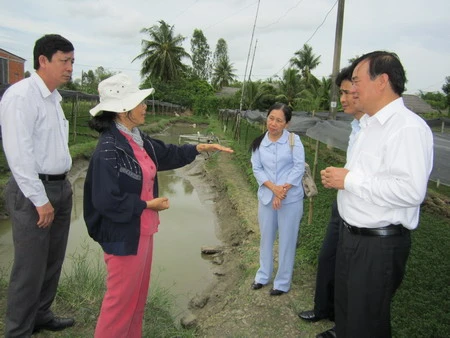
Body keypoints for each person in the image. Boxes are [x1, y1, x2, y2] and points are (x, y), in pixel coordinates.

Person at [83, 73, 233, 338]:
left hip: (143, 231)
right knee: (119, 304)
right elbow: (105, 200)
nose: (145, 107)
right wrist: (145, 204)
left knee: (137, 298)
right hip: (123, 236)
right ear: (123, 110)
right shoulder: (109, 149)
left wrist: (198, 148)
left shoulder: (135, 139)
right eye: (140, 102)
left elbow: (166, 153)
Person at [321, 51, 434, 337]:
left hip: (377, 246)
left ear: (382, 81)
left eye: (357, 81)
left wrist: (350, 180)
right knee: (348, 315)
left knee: (366, 323)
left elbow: (410, 191)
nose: (353, 89)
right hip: (353, 238)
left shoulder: (407, 128)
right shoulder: (369, 125)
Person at [0, 34, 76, 337]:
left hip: (60, 188)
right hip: (33, 192)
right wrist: (39, 199)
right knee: (29, 268)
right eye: (64, 60)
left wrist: (61, 190)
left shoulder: (54, 98)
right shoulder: (21, 96)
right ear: (43, 61)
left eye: (72, 61)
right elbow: (19, 155)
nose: (70, 67)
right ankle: (17, 330)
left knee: (52, 261)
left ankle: (42, 314)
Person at [298, 66, 364, 338]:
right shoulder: (357, 126)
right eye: (342, 93)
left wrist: (347, 180)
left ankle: (342, 325)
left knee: (353, 274)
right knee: (328, 258)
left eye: (348, 92)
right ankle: (323, 308)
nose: (344, 98)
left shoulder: (388, 128)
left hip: (363, 212)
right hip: (343, 206)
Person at [249, 103, 305, 296]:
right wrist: (274, 190)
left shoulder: (294, 141)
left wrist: (283, 190)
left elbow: (298, 167)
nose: (273, 123)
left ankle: (282, 282)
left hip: (290, 200)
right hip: (266, 198)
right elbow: (257, 169)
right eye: (271, 118)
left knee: (287, 240)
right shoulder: (258, 143)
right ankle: (263, 276)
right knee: (266, 238)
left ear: (286, 124)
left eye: (279, 120)